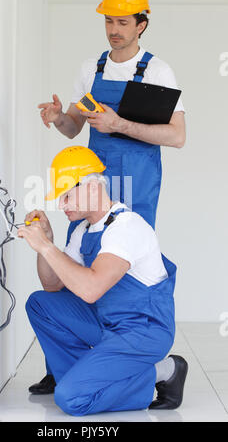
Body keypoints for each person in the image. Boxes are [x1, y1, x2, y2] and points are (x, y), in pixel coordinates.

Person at [18, 146, 188, 415]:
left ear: (91, 187)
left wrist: (47, 249)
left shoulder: (126, 228)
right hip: (107, 324)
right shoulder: (85, 230)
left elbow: (91, 289)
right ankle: (87, 377)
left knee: (72, 399)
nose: (62, 205)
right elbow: (52, 286)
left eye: (67, 196)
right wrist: (46, 243)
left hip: (142, 332)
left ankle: (163, 371)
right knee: (40, 304)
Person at [38, 0, 186, 236]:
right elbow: (73, 128)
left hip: (137, 181)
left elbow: (177, 136)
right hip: (93, 178)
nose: (113, 29)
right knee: (84, 250)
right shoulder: (91, 68)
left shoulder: (157, 72)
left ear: (141, 25)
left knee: (129, 250)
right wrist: (59, 117)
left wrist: (118, 124)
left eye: (123, 22)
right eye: (109, 21)